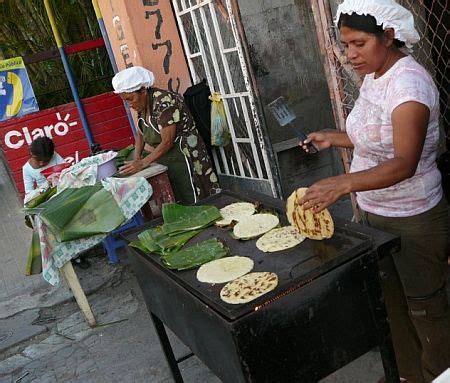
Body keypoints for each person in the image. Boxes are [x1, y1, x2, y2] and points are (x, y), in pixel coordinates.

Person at [299, 1, 450, 382]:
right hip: (376, 214)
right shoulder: (375, 76)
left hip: (414, 220)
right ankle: (408, 375)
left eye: (359, 44)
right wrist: (333, 139)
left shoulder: (409, 86)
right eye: (345, 44)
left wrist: (343, 183)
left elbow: (404, 161)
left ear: (388, 36)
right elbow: (374, 136)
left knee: (427, 309)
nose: (350, 54)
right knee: (392, 304)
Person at [112, 66, 220, 204]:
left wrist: (144, 163)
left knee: (198, 196)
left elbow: (167, 141)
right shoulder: (142, 105)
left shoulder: (163, 102)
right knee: (179, 199)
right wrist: (137, 158)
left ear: (143, 90)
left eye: (130, 98)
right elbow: (140, 134)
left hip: (186, 154)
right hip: (168, 157)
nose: (130, 104)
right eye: (126, 100)